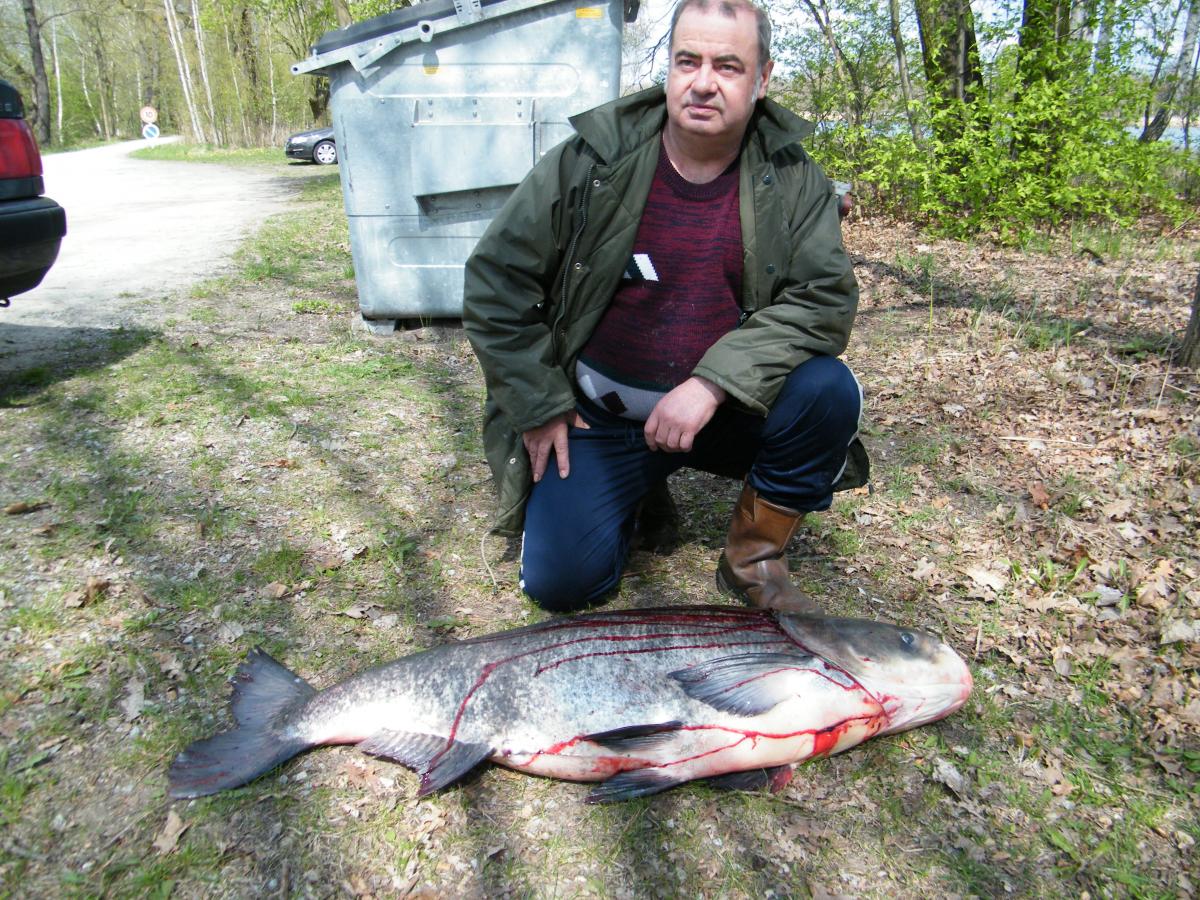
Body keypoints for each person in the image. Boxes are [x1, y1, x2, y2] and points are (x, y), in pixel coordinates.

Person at [463, 0, 867, 615]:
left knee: (828, 391)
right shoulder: (593, 160)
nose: (703, 82)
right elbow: (498, 281)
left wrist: (711, 383)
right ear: (669, 69)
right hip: (599, 417)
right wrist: (540, 404)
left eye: (728, 66)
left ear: (761, 81)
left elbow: (824, 301)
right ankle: (635, 495)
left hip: (726, 413)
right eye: (687, 61)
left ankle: (752, 559)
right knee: (562, 585)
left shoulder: (792, 179)